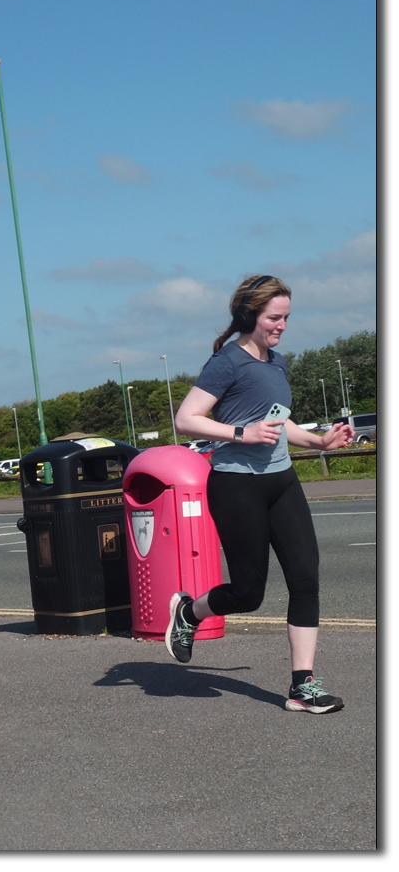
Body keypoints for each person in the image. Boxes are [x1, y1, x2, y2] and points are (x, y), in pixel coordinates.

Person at [166, 275, 354, 714]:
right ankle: (189, 613)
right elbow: (186, 418)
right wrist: (240, 433)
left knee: (306, 579)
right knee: (249, 594)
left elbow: (278, 422)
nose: (282, 325)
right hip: (236, 485)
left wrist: (319, 442)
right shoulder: (227, 362)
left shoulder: (277, 362)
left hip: (282, 481)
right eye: (275, 317)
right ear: (250, 316)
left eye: (287, 317)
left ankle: (301, 686)